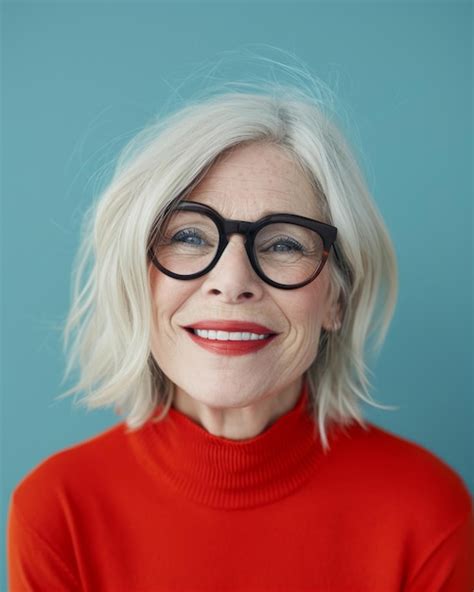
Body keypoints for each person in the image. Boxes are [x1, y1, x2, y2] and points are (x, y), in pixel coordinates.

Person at [7, 80, 473, 591]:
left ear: (336, 299)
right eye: (188, 236)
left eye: (284, 245)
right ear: (136, 280)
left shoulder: (428, 511)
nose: (231, 283)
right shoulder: (58, 511)